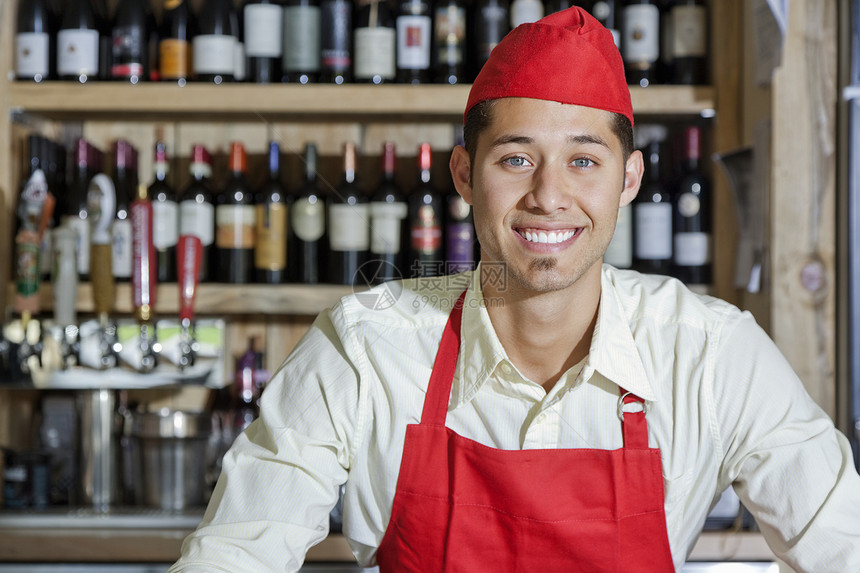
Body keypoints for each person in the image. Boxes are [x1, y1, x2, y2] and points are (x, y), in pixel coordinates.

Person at [168, 6, 860, 573]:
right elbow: (234, 555)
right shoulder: (365, 350)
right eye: (517, 158)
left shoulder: (712, 354)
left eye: (584, 160)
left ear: (629, 180)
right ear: (465, 174)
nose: (549, 195)